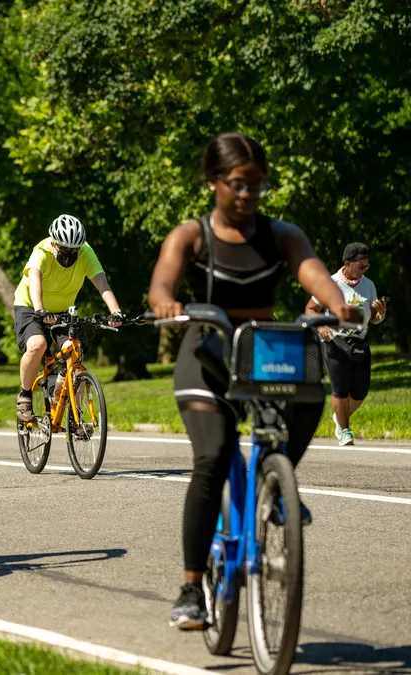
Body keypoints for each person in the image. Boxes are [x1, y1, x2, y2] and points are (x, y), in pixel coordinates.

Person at [147, 132, 361, 630]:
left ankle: (277, 483)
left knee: (310, 394)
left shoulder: (281, 234)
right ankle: (191, 587)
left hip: (261, 348)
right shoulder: (191, 235)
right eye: (238, 185)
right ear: (213, 183)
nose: (247, 195)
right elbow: (163, 279)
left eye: (256, 186)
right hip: (207, 352)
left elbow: (311, 271)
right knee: (213, 457)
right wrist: (165, 301)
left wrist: (335, 301)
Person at [12, 214, 124, 423]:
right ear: (54, 243)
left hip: (63, 310)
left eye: (75, 250)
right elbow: (35, 280)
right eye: (65, 250)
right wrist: (40, 310)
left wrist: (115, 312)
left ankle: (74, 414)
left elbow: (102, 284)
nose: (71, 254)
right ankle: (25, 395)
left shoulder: (86, 253)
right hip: (30, 306)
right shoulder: (42, 252)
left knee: (76, 351)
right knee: (38, 344)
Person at [305, 242, 389, 446]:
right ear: (348, 263)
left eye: (366, 266)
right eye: (361, 266)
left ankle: (339, 416)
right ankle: (344, 430)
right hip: (335, 341)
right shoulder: (330, 283)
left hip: (359, 341)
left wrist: (381, 315)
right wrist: (321, 329)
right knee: (340, 388)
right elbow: (310, 309)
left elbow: (373, 318)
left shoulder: (368, 285)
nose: (364, 270)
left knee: (360, 391)